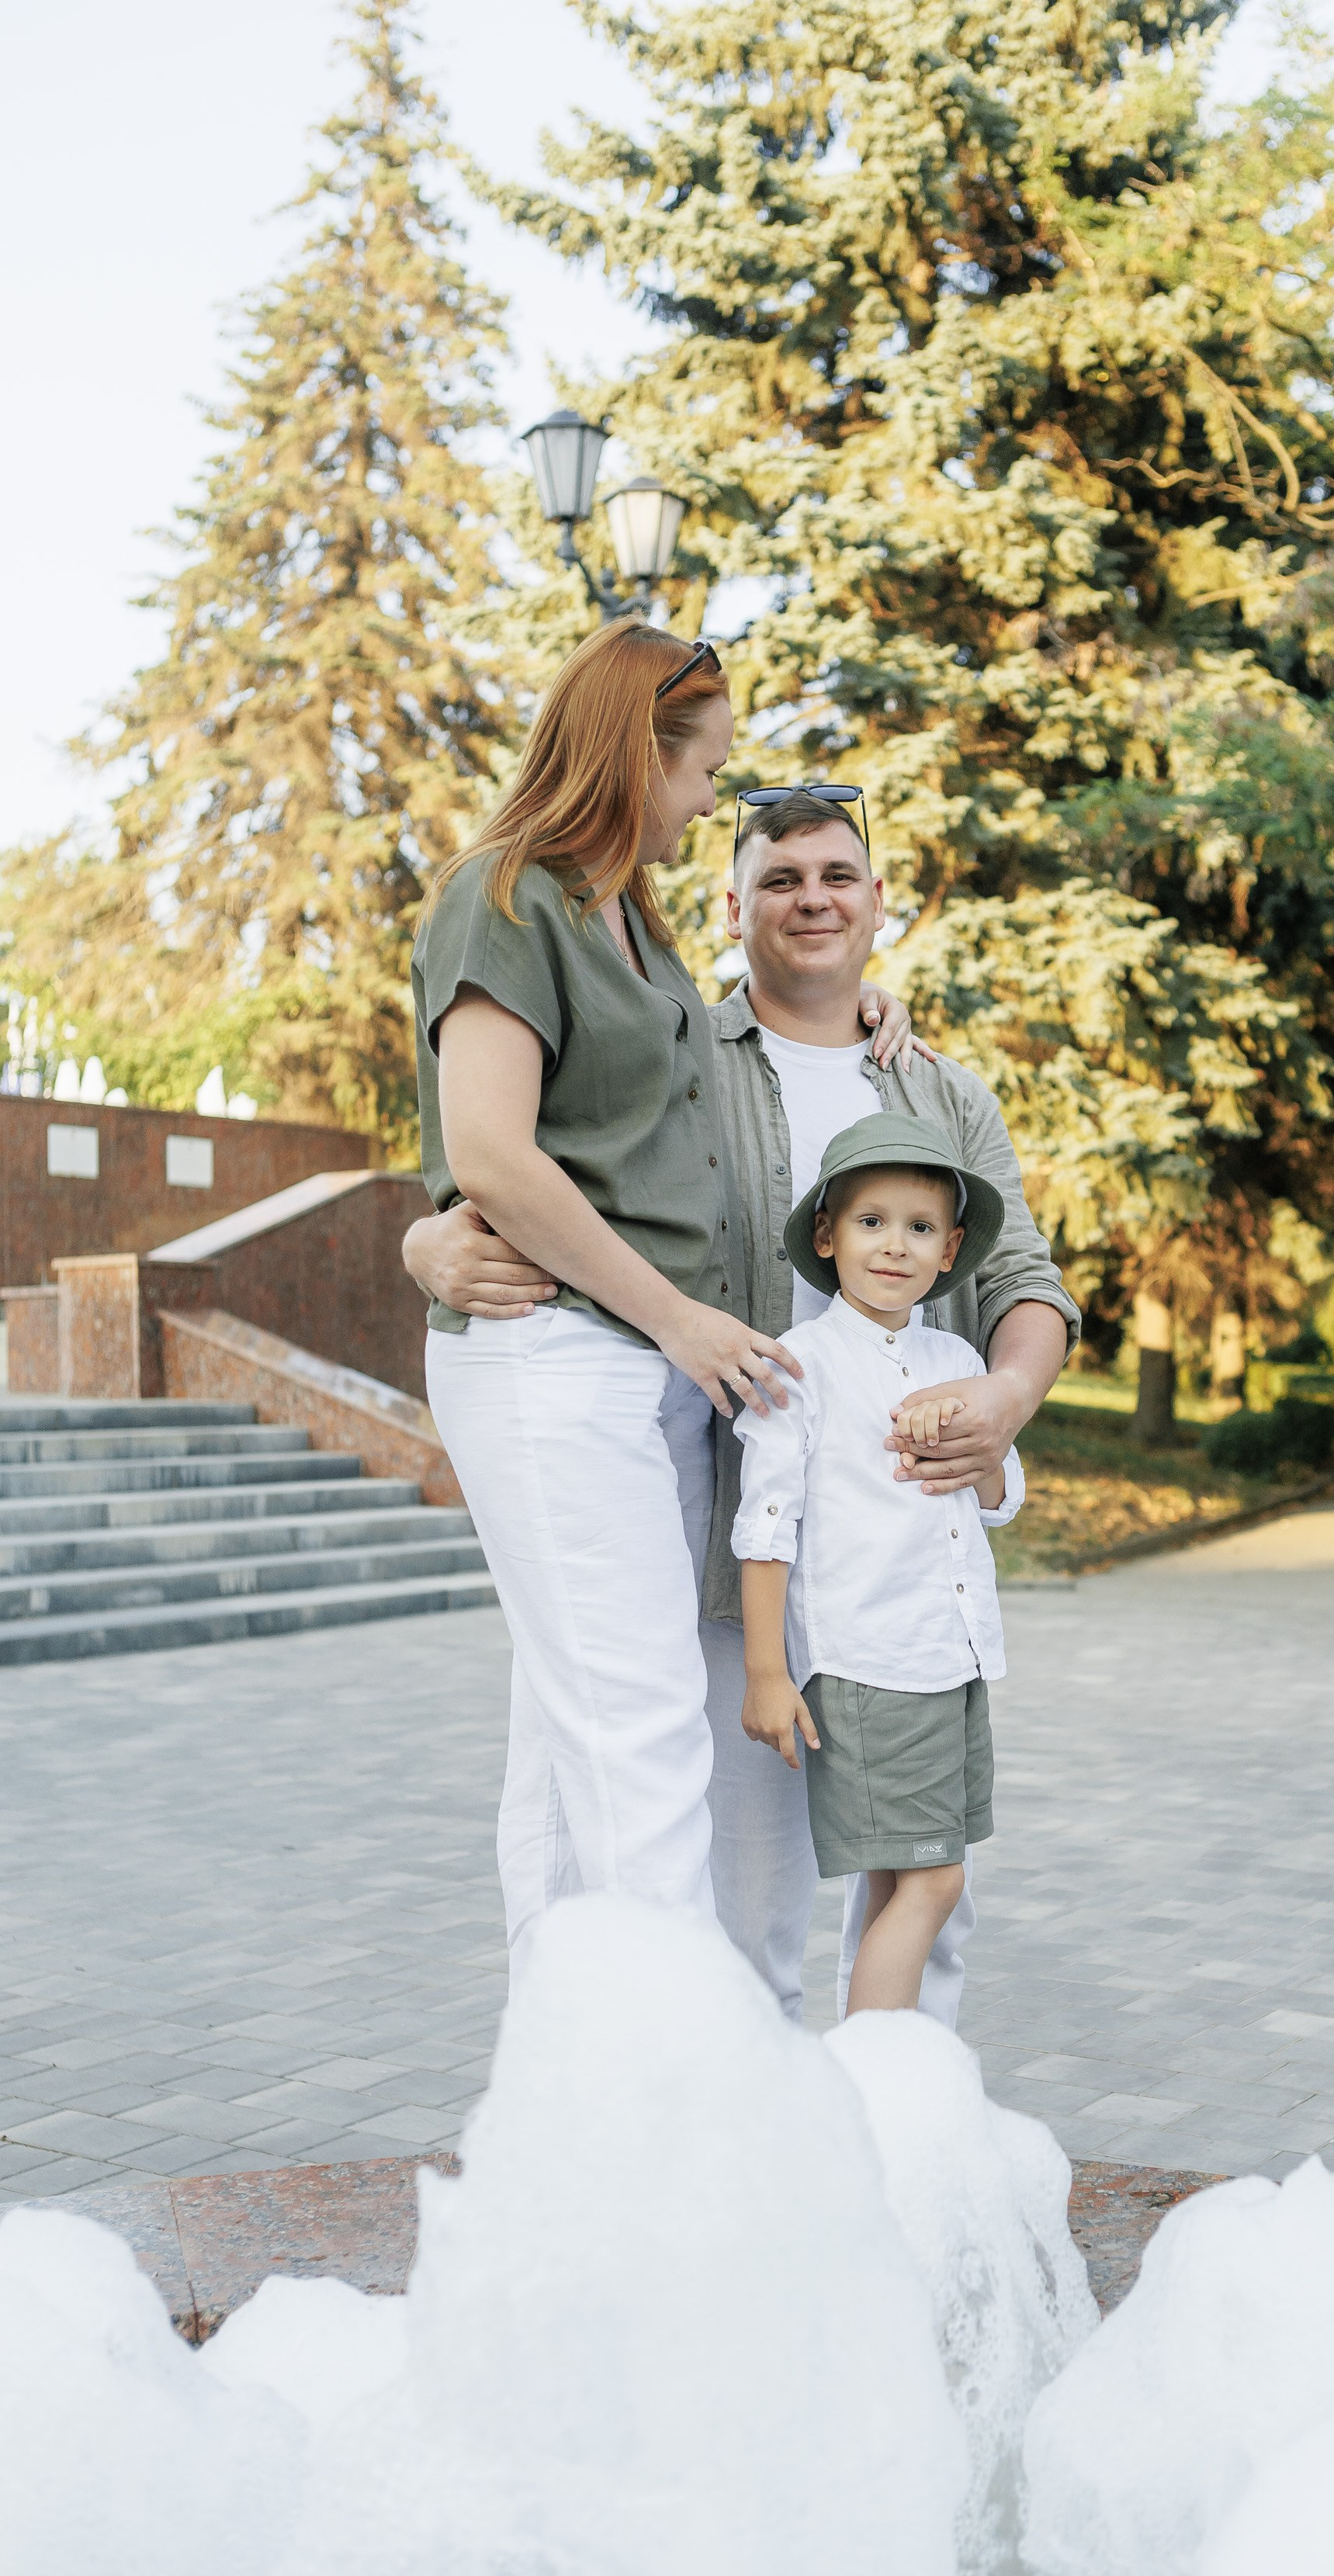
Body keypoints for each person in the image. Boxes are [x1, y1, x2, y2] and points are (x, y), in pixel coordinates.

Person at [405, 786, 1079, 2017]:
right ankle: (754, 2168)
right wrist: (426, 1239)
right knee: (738, 1899)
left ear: (881, 903)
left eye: (837, 874)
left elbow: (1023, 1282)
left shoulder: (942, 1093)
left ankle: (899, 2157)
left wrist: (1007, 1395)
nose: (812, 898)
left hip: (900, 1577)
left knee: (925, 1890)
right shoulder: (673, 1059)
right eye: (779, 878)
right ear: (729, 907)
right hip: (728, 1560)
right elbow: (526, 1164)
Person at [408, 626, 920, 1984]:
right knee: (635, 1733)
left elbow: (693, 1098)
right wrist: (680, 1319)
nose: (710, 804)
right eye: (703, 771)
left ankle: (565, 2099)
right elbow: (492, 1153)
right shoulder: (504, 896)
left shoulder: (628, 921)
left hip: (641, 1377)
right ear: (637, 750)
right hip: (552, 1359)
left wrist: (862, 997)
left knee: (564, 1745)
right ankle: (686, 2120)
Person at [733, 1115, 1023, 2010]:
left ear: (950, 1251)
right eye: (871, 1222)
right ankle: (874, 2084)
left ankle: (882, 2094)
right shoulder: (801, 1366)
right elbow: (767, 1524)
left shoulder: (957, 1359)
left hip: (951, 1656)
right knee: (933, 1883)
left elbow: (1002, 1495)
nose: (894, 1245)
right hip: (870, 1667)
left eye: (920, 1228)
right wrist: (765, 1674)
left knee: (918, 1882)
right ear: (827, 1235)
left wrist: (966, 1438)